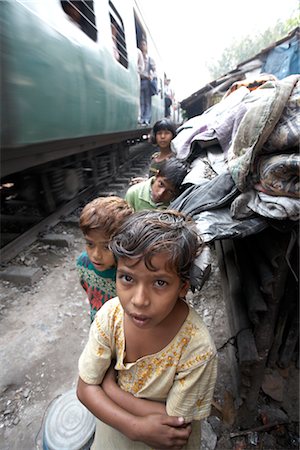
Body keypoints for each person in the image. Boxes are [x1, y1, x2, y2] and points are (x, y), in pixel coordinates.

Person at [77, 209, 218, 449]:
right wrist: (134, 427)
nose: (140, 300)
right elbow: (84, 389)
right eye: (128, 278)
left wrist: (109, 387)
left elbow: (175, 425)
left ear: (183, 287)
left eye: (160, 282)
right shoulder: (110, 317)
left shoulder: (197, 349)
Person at [76, 196, 133, 322]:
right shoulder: (83, 263)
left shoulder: (132, 275)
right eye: (90, 244)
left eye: (106, 247)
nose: (96, 255)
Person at [138, 38, 156, 125]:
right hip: (141, 80)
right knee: (141, 101)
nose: (142, 46)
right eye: (141, 45)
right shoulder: (138, 55)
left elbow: (154, 70)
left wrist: (151, 76)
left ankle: (147, 119)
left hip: (147, 82)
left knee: (147, 102)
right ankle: (142, 118)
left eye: (144, 45)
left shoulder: (150, 59)